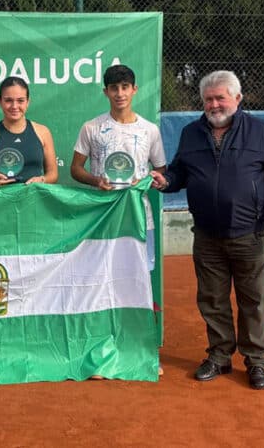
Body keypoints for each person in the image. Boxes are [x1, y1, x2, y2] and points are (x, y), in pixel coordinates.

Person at [150, 70, 264, 390]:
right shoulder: (191, 134)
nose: (214, 105)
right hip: (206, 235)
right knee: (212, 300)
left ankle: (255, 361)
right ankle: (219, 356)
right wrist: (166, 182)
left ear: (237, 99)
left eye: (220, 98)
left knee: (251, 301)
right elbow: (179, 173)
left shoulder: (262, 132)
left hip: (250, 234)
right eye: (208, 99)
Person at [71, 64, 167, 377]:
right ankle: (100, 353)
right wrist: (95, 180)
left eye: (125, 87)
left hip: (140, 220)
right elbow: (75, 169)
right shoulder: (91, 128)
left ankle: (142, 349)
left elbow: (162, 170)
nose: (120, 93)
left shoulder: (150, 130)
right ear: (106, 92)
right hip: (103, 220)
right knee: (100, 283)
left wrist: (156, 179)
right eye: (114, 88)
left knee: (140, 283)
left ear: (135, 90)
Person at [0, 76, 58, 186]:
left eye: (20, 101)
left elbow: (53, 174)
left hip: (34, 200)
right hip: (0, 202)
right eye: (8, 100)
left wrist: (42, 180)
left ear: (28, 102)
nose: (14, 106)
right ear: (0, 102)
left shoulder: (43, 132)